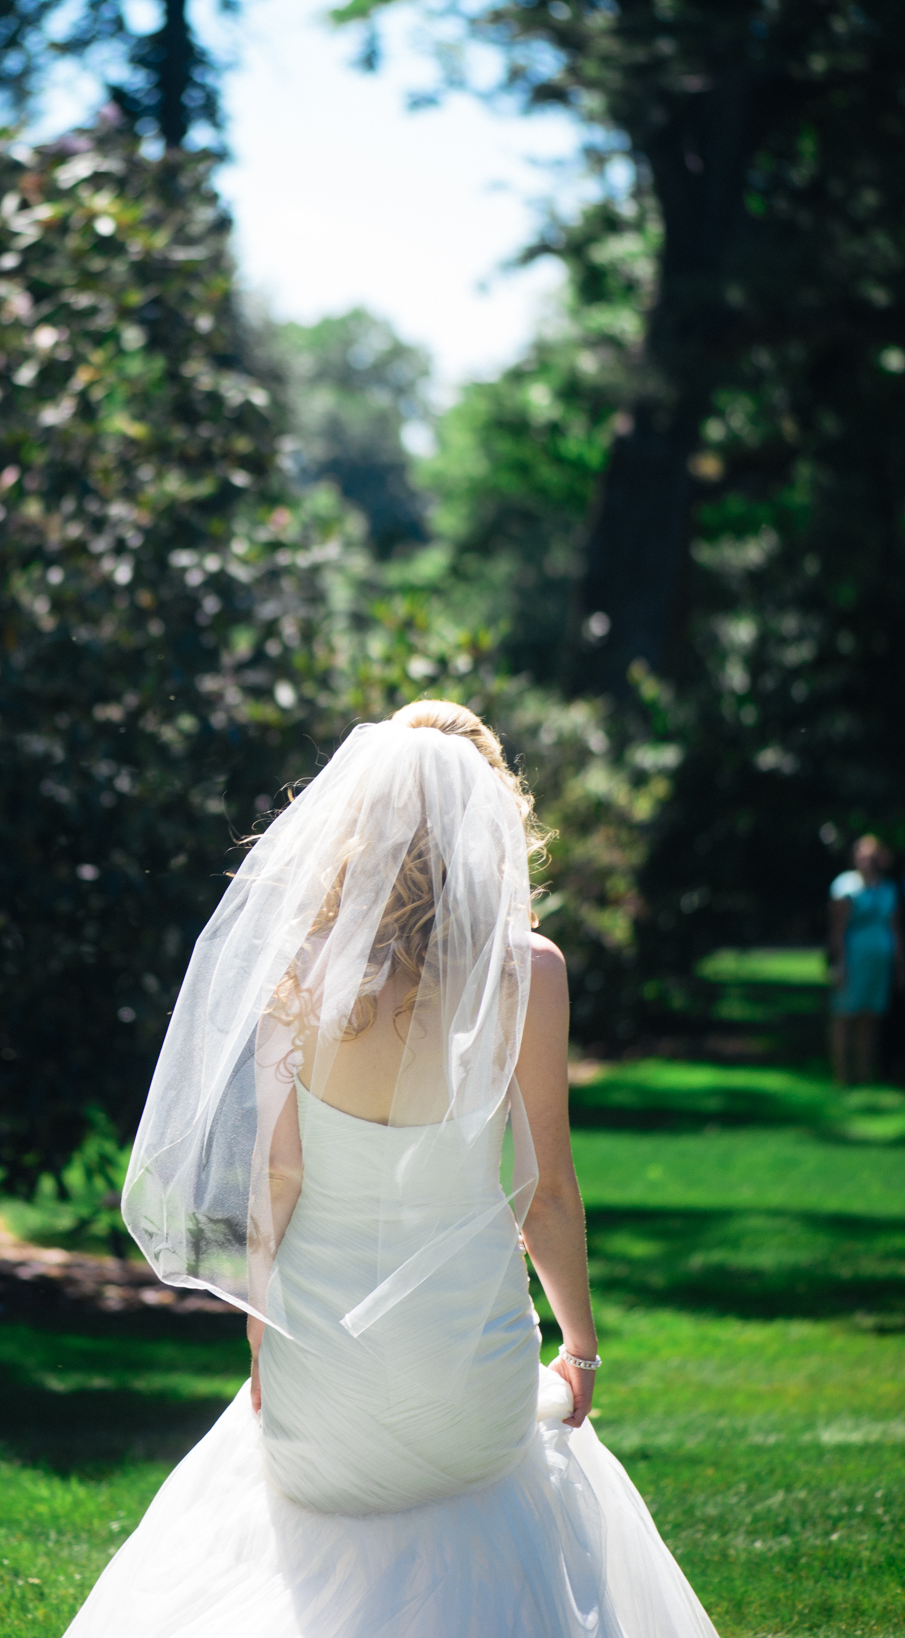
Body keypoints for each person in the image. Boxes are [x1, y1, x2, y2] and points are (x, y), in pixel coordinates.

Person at [65, 700, 718, 1638]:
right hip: (470, 1380)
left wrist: (260, 1339)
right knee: (548, 1460)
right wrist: (578, 1352)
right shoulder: (526, 974)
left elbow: (276, 1182)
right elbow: (547, 1194)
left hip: (318, 1383)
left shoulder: (295, 971)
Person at [828, 834, 903, 1085]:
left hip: (879, 961)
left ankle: (863, 1075)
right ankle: (842, 1076)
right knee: (845, 1016)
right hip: (853, 958)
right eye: (862, 854)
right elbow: (837, 929)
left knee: (869, 1019)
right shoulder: (844, 886)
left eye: (871, 855)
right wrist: (837, 963)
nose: (867, 860)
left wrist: (900, 965)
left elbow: (894, 929)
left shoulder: (888, 888)